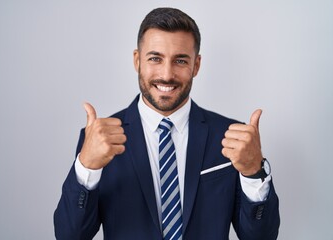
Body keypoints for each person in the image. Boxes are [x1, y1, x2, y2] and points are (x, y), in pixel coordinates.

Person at [54, 7, 280, 240]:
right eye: (155, 58)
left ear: (196, 65)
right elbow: (69, 235)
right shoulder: (98, 140)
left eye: (180, 61)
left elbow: (262, 237)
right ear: (137, 60)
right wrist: (86, 168)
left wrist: (254, 172)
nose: (167, 74)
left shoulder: (231, 138)